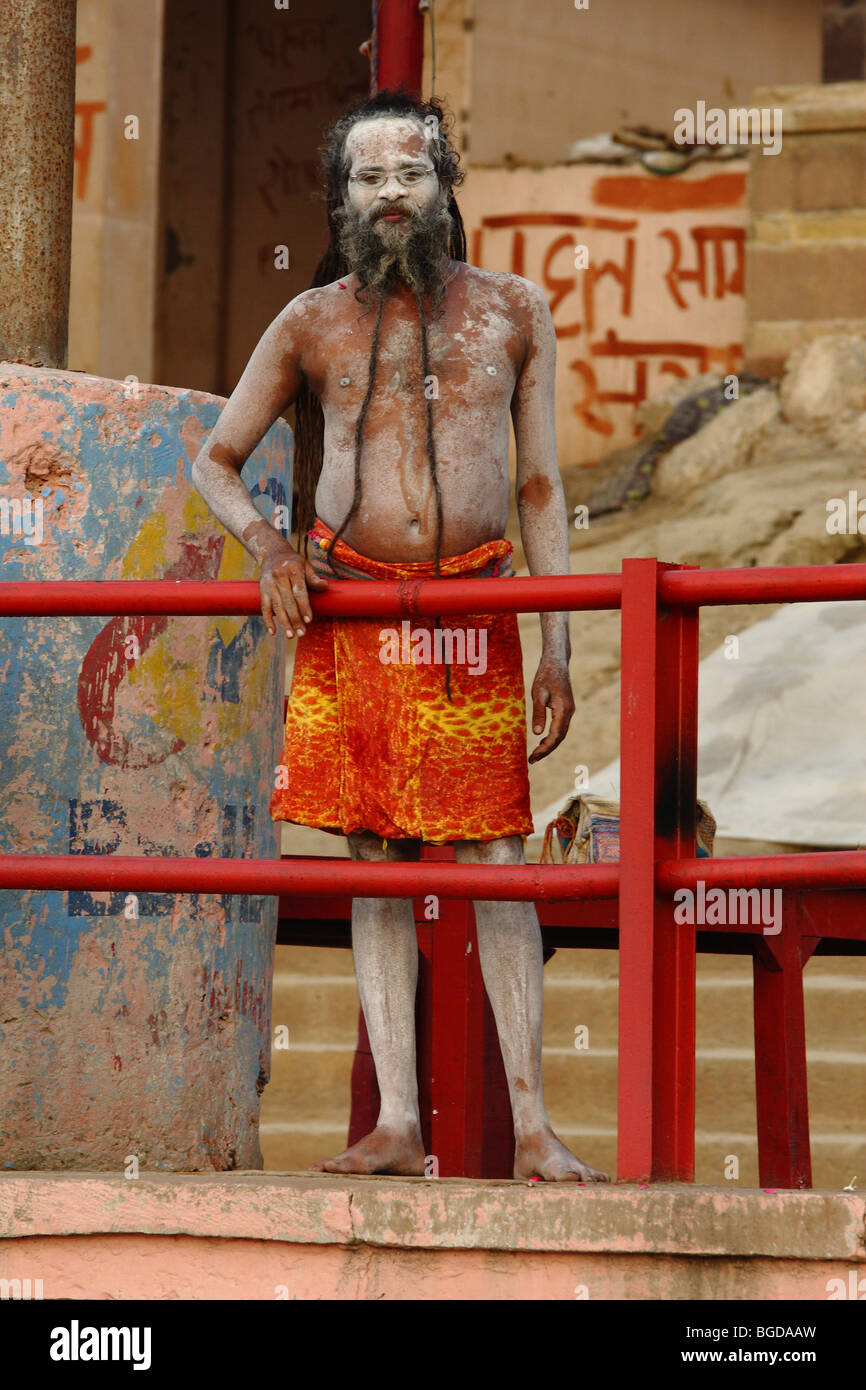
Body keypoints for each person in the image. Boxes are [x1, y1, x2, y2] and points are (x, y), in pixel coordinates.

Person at [192, 89, 608, 1183]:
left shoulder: (512, 311)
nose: (390, 196)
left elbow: (537, 485)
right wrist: (273, 551)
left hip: (476, 615)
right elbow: (213, 459)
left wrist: (555, 644)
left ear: (443, 185)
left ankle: (530, 1129)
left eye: (409, 175)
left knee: (496, 858)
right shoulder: (309, 320)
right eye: (368, 179)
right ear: (340, 197)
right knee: (370, 854)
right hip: (352, 614)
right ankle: (395, 1124)